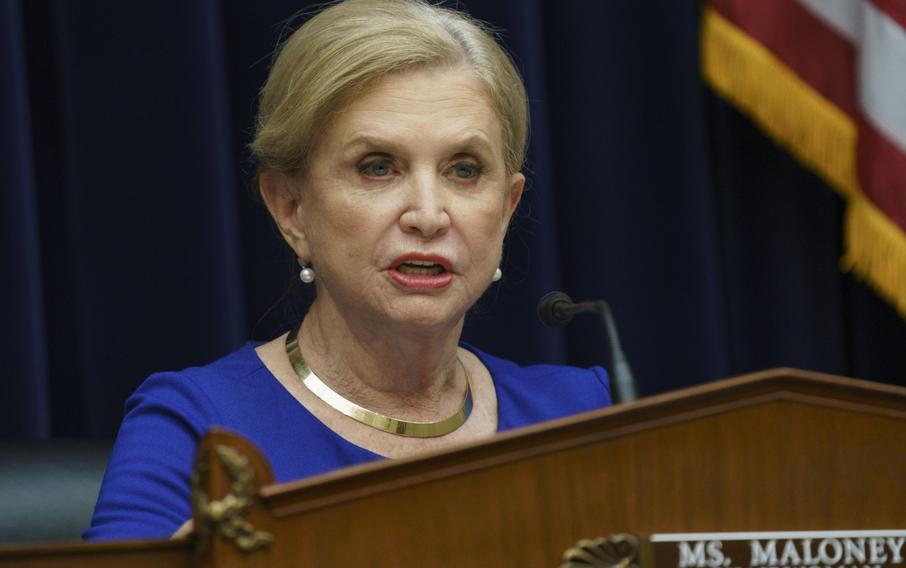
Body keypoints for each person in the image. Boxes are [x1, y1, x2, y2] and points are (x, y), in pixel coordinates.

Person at [84, 0, 611, 541]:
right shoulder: (198, 429)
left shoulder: (580, 416)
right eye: (377, 167)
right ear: (291, 207)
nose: (428, 215)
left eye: (464, 169)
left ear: (505, 208)